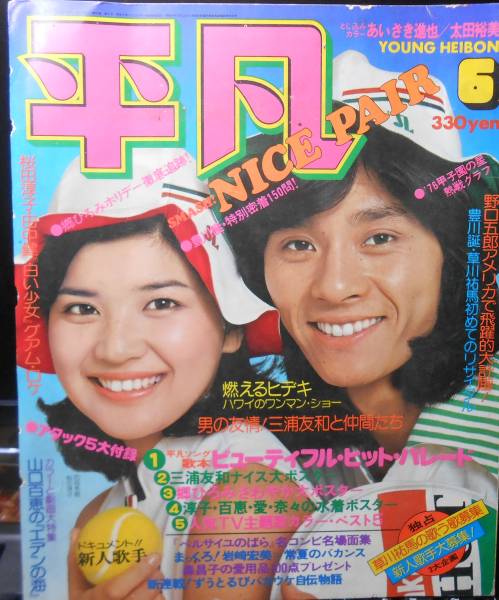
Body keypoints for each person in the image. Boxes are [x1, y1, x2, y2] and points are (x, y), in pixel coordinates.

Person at [219, 52, 499, 598]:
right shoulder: (273, 450)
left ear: (451, 254)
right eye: (298, 244)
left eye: (379, 238)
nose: (334, 286)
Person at [16, 147, 319, 600]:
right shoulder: (100, 512)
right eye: (82, 308)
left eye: (161, 303)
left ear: (231, 327)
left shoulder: (245, 495)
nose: (116, 349)